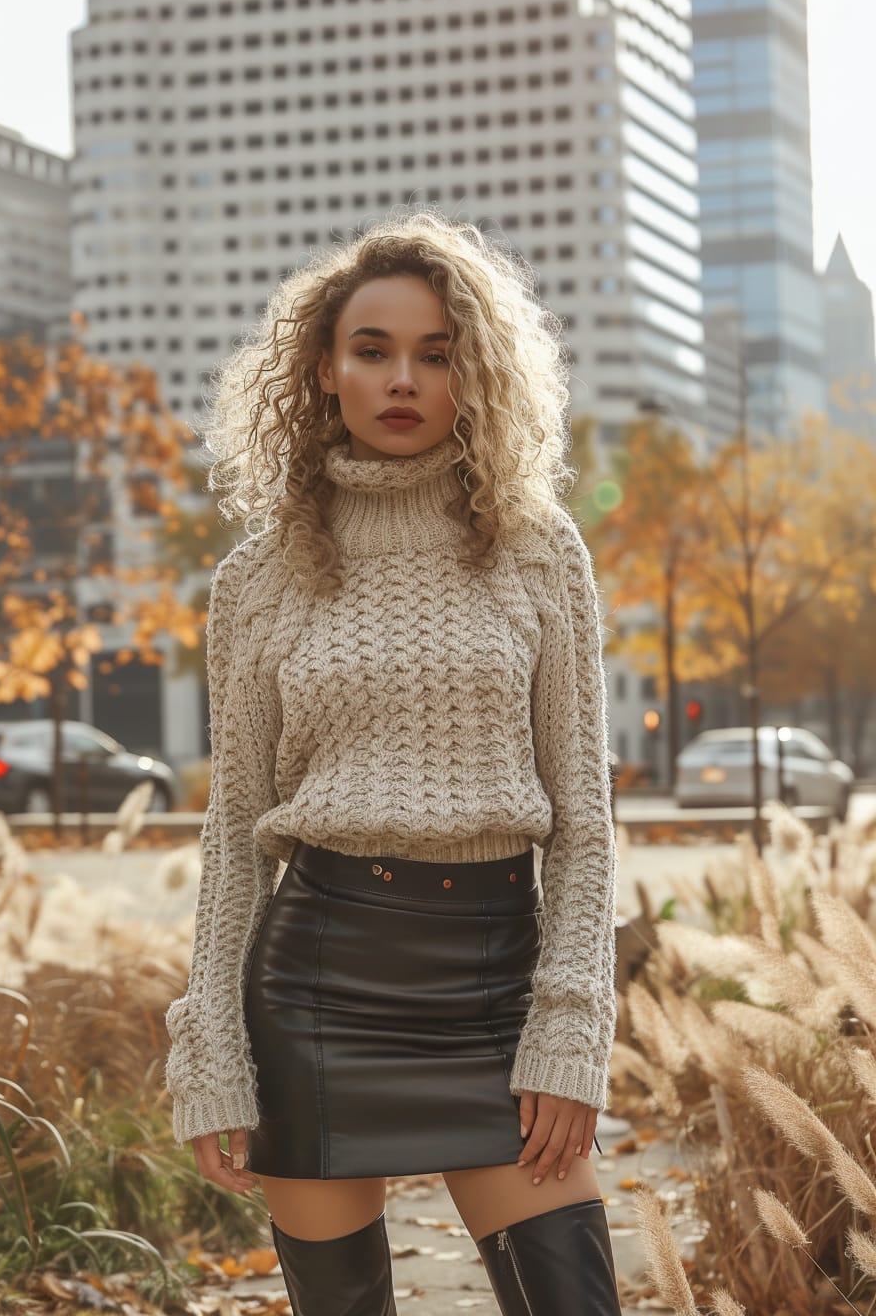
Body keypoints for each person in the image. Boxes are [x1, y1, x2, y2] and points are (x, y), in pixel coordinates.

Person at [164, 208, 621, 1315]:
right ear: (323, 370)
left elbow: (585, 817)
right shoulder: (258, 578)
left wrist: (569, 1025)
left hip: (497, 986)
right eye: (371, 351)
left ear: (474, 373)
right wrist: (210, 1047)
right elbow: (234, 842)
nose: (401, 379)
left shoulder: (535, 545)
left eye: (435, 352)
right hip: (317, 985)